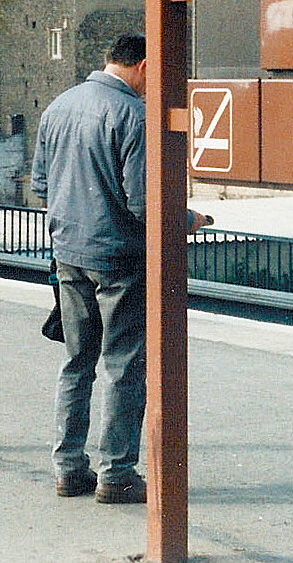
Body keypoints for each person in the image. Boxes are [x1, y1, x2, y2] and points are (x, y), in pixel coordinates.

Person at [31, 33, 209, 504]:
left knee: (76, 362)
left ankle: (68, 468)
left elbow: (41, 186)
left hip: (68, 254)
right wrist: (188, 219)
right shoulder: (135, 116)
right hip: (121, 262)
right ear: (145, 65)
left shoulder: (59, 106)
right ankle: (117, 474)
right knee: (122, 368)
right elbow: (144, 204)